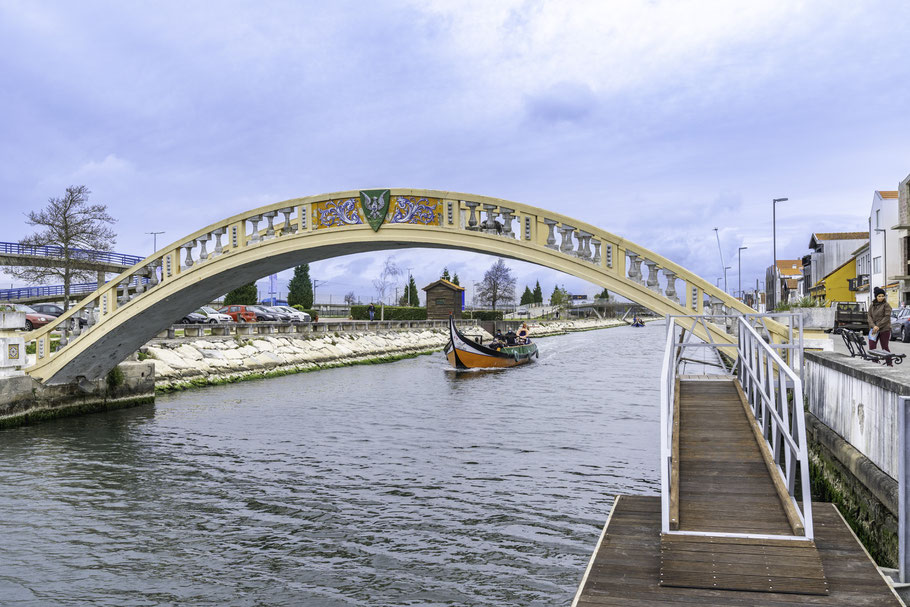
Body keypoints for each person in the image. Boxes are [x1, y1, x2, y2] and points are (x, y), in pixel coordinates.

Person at [868, 287, 893, 366]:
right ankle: (874, 362)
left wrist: (878, 326)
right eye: (879, 296)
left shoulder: (886, 305)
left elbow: (887, 317)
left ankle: (889, 364)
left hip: (884, 329)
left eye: (883, 296)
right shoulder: (872, 305)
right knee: (872, 346)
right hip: (873, 330)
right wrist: (873, 326)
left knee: (885, 347)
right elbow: (869, 316)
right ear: (876, 296)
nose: (881, 297)